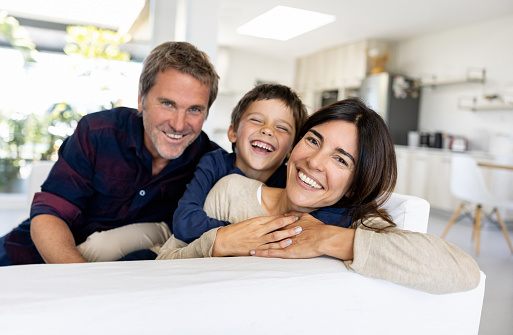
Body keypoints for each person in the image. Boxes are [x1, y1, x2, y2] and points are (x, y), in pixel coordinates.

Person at [156, 98, 481, 294]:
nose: (314, 162)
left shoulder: (354, 226)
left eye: (340, 159)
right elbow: (161, 266)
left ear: (355, 184)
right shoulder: (231, 190)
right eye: (313, 141)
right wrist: (218, 243)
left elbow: (463, 273)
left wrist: (329, 239)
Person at [0, 41, 223, 266]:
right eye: (167, 104)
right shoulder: (97, 133)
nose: (178, 124)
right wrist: (80, 281)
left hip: (110, 274)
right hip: (25, 258)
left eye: (194, 109)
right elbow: (50, 214)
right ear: (141, 100)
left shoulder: (211, 161)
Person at [76, 83, 310, 261]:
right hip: (172, 230)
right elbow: (185, 223)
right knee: (106, 249)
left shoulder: (287, 185)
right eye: (257, 120)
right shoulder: (214, 163)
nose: (268, 130)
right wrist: (238, 233)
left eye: (281, 128)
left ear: (291, 150)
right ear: (232, 133)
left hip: (207, 245)